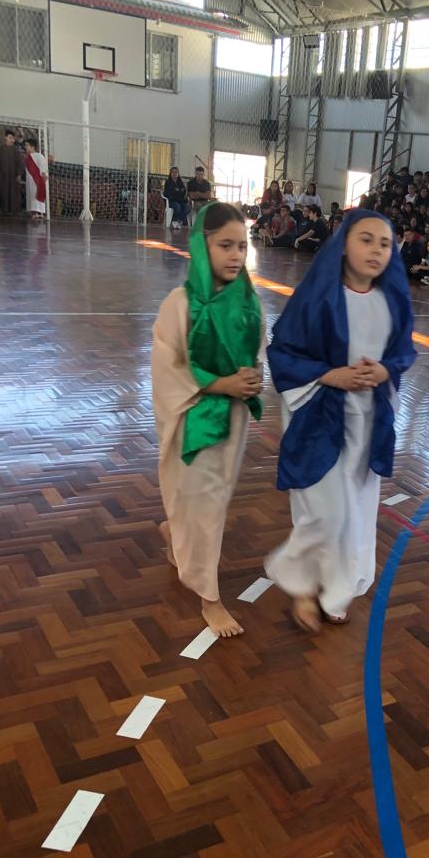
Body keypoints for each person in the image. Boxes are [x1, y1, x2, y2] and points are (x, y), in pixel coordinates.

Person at [265, 209, 416, 632]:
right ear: (344, 244)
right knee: (324, 511)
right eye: (366, 239)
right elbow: (283, 353)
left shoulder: (392, 300)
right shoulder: (317, 298)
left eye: (385, 243)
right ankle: (300, 584)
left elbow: (403, 352)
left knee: (357, 512)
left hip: (368, 423)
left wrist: (385, 370)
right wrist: (332, 376)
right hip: (319, 418)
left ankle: (337, 587)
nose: (376, 250)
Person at [151, 202, 264, 638]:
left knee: (208, 502)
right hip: (192, 421)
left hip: (232, 421)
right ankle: (209, 598)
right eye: (225, 246)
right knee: (205, 506)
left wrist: (251, 379)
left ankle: (172, 532)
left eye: (242, 246)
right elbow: (169, 369)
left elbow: (255, 350)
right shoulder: (179, 304)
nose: (236, 255)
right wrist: (221, 385)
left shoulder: (249, 303)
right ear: (203, 245)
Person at [0, 129, 22, 216]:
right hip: (4, 176)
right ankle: (5, 210)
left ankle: (13, 210)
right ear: (5, 138)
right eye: (10, 138)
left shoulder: (15, 150)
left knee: (13, 193)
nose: (11, 140)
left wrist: (19, 174)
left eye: (13, 138)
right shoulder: (1, 149)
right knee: (4, 192)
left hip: (13, 176)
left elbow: (19, 162)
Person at [23, 138, 48, 220]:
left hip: (37, 179)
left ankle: (39, 212)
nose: (25, 147)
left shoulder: (39, 156)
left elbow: (43, 167)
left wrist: (43, 175)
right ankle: (34, 212)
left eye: (27, 145)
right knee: (31, 195)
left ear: (33, 147)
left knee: (37, 194)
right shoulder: (27, 157)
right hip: (30, 180)